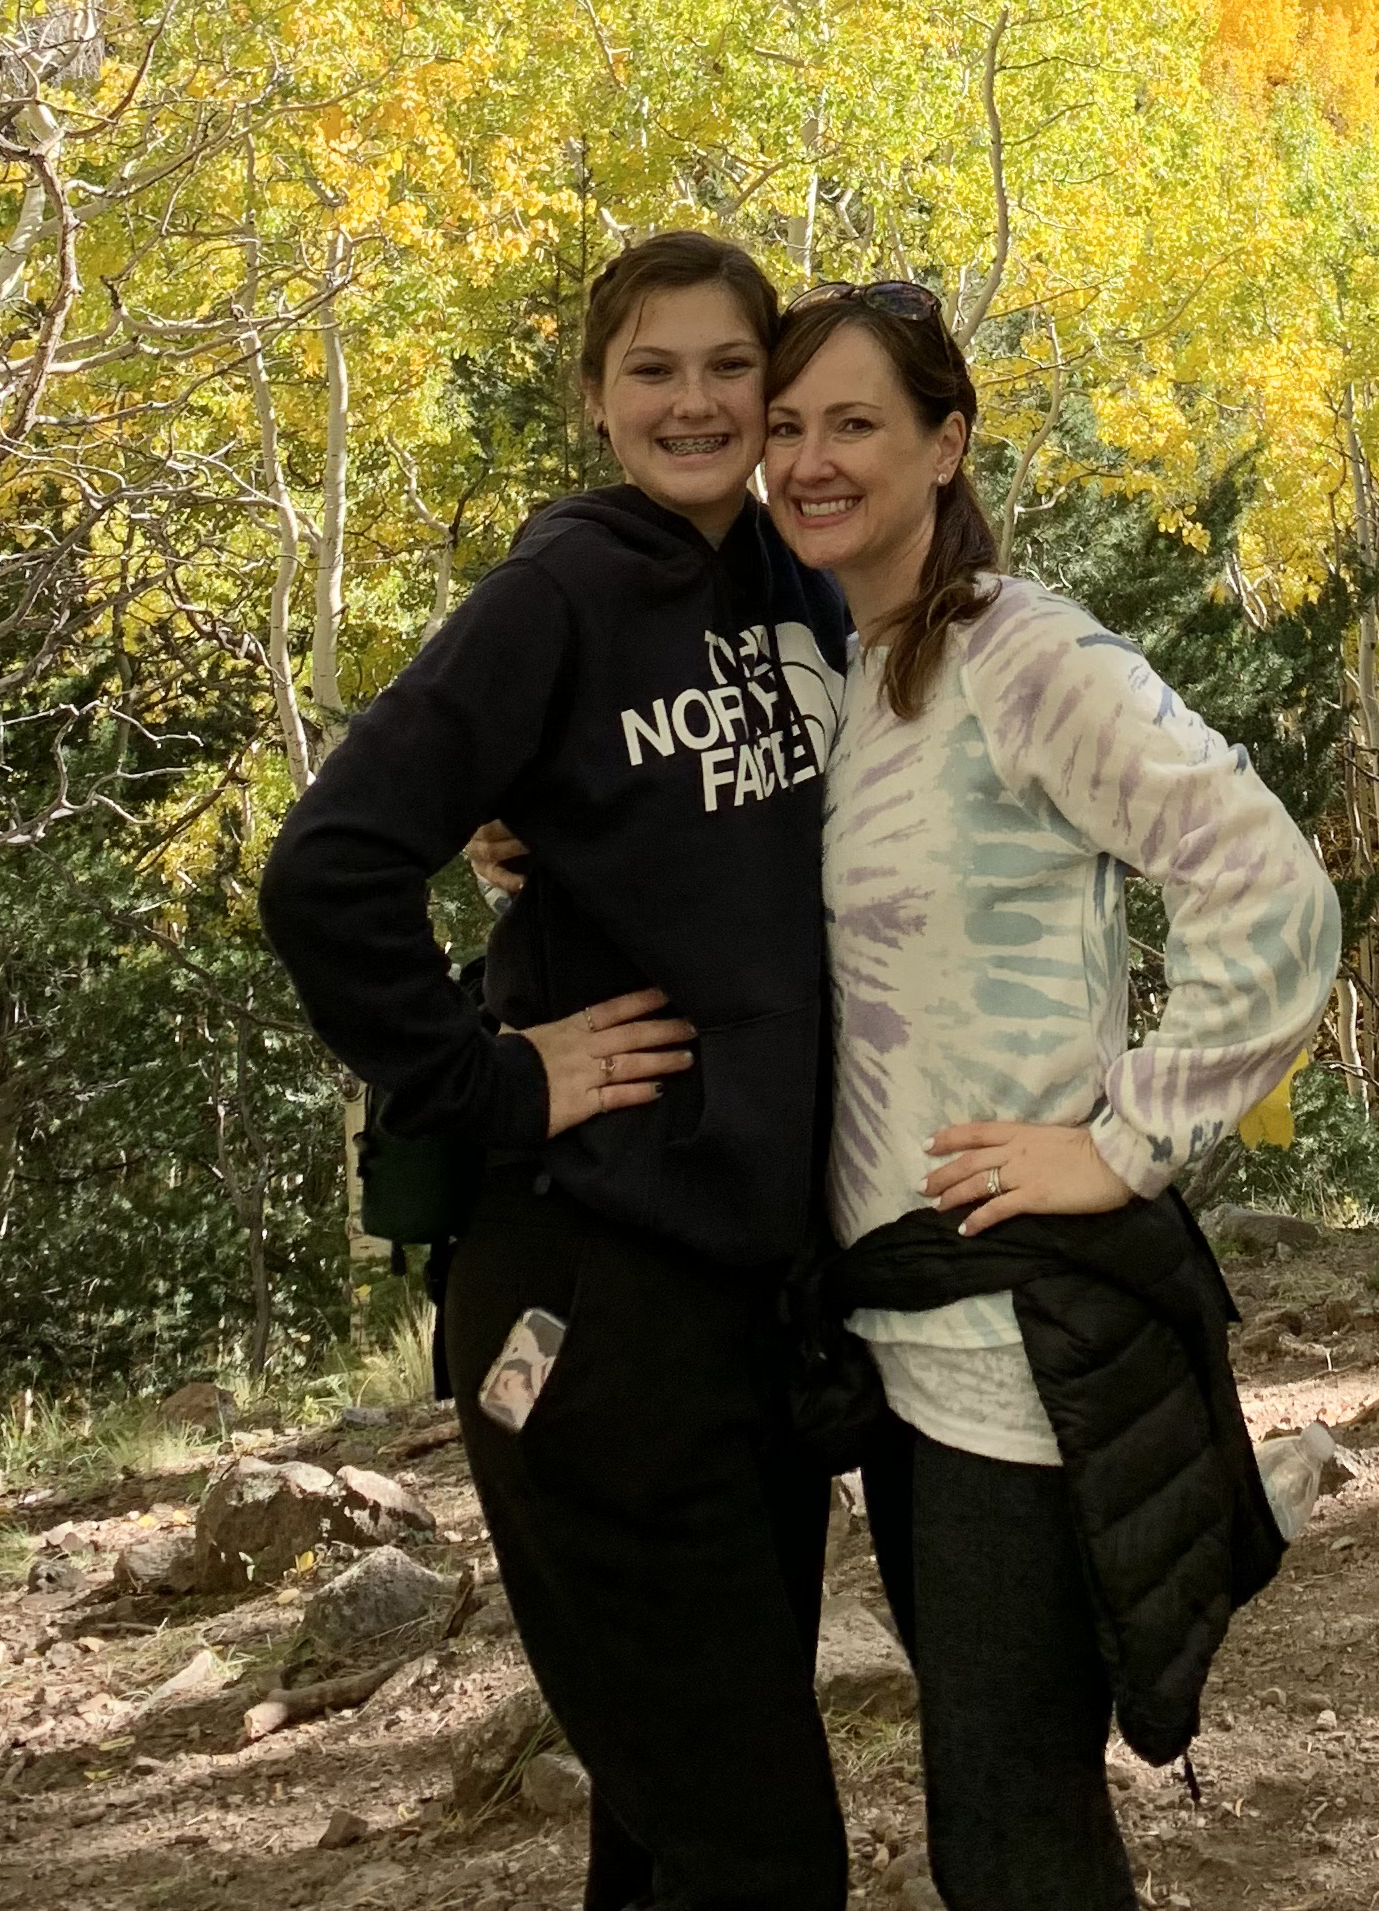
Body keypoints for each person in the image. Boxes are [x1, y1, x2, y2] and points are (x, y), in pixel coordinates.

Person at [259, 231, 849, 1911]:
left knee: (674, 1826)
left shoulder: (794, 586)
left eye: (731, 368)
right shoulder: (560, 595)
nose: (695, 403)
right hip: (592, 1293)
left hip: (752, 1296)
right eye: (652, 370)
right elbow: (328, 872)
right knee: (764, 1848)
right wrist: (495, 1082)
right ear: (595, 400)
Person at [767, 282, 1341, 1911]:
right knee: (1003, 1819)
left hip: (1019, 1354)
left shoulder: (1026, 657)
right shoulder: (864, 675)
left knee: (1012, 1838)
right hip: (901, 1345)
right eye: (789, 428)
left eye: (855, 423)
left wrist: (1127, 1142)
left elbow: (1273, 893)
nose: (811, 460)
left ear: (947, 443)